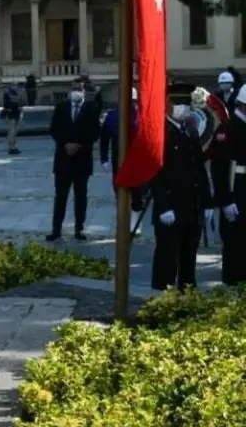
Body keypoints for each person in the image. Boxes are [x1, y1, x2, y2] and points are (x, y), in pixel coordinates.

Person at [151, 103, 213, 291]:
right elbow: (154, 172)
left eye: (186, 104)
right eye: (180, 104)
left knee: (189, 258)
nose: (184, 109)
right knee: (167, 259)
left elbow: (199, 168)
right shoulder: (160, 132)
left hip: (192, 206)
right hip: (171, 207)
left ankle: (187, 299)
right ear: (168, 106)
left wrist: (207, 201)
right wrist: (162, 206)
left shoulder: (190, 129)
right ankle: (161, 300)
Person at [47, 79, 100, 241]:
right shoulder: (61, 107)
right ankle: (56, 230)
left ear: (84, 91)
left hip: (82, 160)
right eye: (73, 88)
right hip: (63, 160)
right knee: (60, 196)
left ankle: (79, 228)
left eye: (79, 88)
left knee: (81, 196)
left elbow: (95, 132)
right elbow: (54, 129)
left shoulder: (91, 108)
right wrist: (65, 144)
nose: (76, 91)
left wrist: (80, 146)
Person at [212, 87, 246, 285]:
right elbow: (220, 169)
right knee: (235, 239)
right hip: (237, 190)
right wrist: (225, 200)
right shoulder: (228, 129)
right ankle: (233, 283)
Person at [100, 87, 146, 213]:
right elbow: (104, 139)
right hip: (119, 159)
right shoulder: (112, 116)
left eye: (133, 101)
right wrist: (104, 158)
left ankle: (135, 219)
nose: (131, 104)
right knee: (120, 191)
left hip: (138, 161)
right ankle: (122, 219)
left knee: (138, 194)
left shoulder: (142, 116)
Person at [0, 84, 23, 155]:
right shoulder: (14, 93)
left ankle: (13, 147)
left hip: (13, 114)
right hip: (12, 115)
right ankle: (12, 147)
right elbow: (18, 104)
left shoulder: (9, 93)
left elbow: (18, 104)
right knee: (12, 132)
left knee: (13, 132)